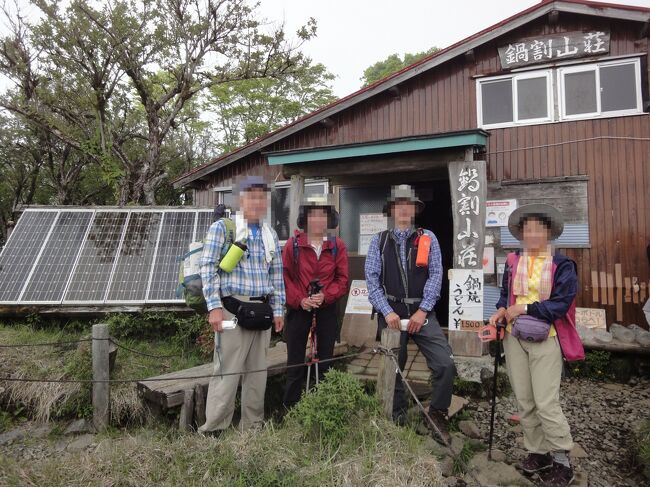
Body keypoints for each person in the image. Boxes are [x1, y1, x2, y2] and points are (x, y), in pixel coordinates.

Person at [489, 203, 584, 487]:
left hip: (547, 337)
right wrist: (500, 311)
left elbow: (560, 304)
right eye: (526, 229)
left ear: (549, 233)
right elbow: (506, 295)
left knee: (546, 401)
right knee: (525, 400)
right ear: (521, 233)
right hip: (514, 337)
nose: (531, 235)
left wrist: (524, 309)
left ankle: (562, 460)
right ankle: (538, 452)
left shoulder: (562, 264)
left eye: (538, 229)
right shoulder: (513, 261)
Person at [365, 184, 455, 442]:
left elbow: (436, 275)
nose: (404, 209)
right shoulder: (379, 241)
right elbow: (372, 279)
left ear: (415, 209)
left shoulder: (428, 238)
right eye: (398, 204)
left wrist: (423, 310)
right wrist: (386, 311)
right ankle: (397, 415)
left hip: (422, 313)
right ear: (392, 210)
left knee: (445, 363)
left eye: (409, 204)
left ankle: (437, 413)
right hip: (390, 313)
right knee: (393, 366)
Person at [198, 175, 285, 435]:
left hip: (262, 310)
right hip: (229, 310)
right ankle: (214, 428)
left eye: (262, 197)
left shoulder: (270, 234)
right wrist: (213, 307)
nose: (257, 202)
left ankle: (252, 427)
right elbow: (207, 268)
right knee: (226, 370)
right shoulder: (224, 229)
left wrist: (279, 310)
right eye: (252, 196)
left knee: (257, 374)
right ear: (241, 199)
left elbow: (276, 276)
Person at [281, 194, 349, 408]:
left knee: (326, 361)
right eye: (314, 215)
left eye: (323, 215)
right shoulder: (293, 245)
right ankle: (291, 409)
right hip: (298, 310)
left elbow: (342, 279)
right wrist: (300, 300)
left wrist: (326, 295)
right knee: (295, 363)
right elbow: (284, 278)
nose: (319, 220)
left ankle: (322, 407)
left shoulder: (337, 246)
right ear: (305, 218)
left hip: (327, 310)